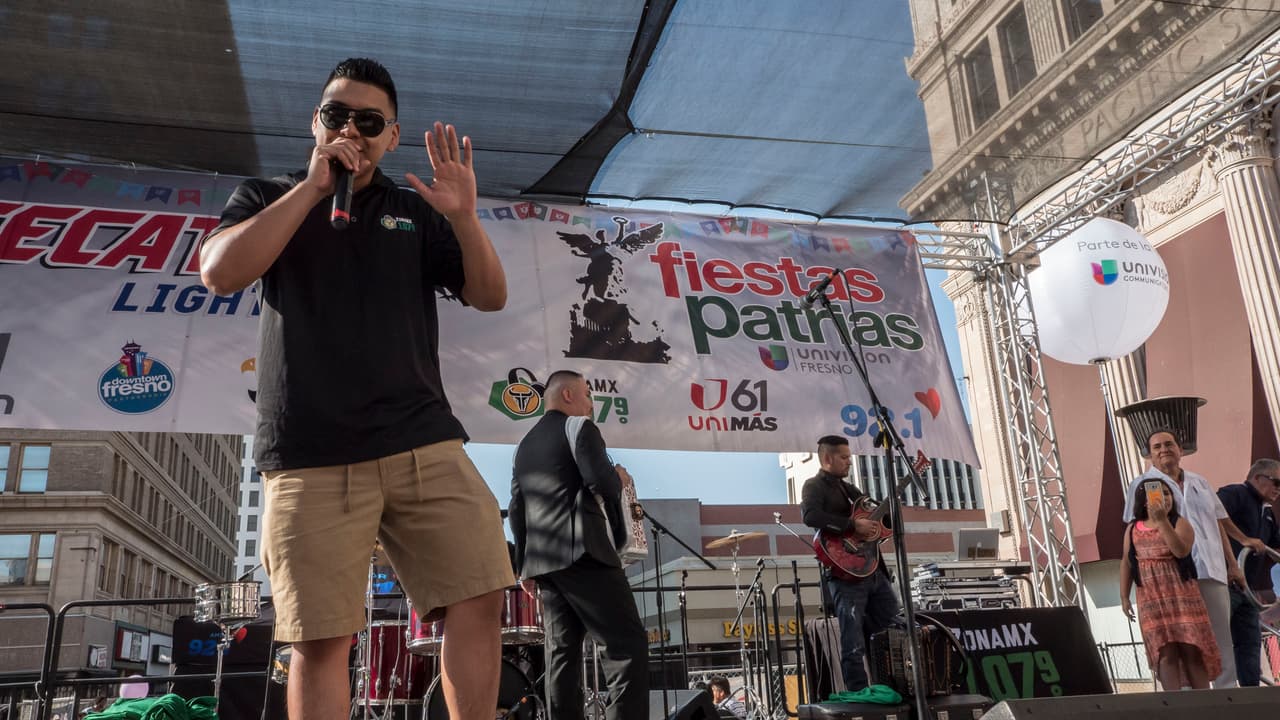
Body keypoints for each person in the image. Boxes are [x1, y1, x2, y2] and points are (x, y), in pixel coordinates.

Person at [199, 58, 513, 720]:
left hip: (421, 440)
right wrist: (314, 189)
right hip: (311, 453)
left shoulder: (412, 210)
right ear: (316, 124)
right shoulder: (269, 194)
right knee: (321, 639)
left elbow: (489, 295)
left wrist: (464, 218)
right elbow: (219, 272)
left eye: (369, 121)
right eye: (338, 115)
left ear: (391, 137)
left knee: (483, 589)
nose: (352, 130)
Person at [509, 370, 648, 720]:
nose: (591, 404)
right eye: (588, 394)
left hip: (544, 565)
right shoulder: (579, 428)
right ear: (568, 395)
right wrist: (618, 479)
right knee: (625, 645)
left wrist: (523, 565)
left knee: (561, 656)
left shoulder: (523, 447)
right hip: (584, 552)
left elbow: (516, 507)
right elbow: (600, 481)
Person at [1121, 428, 1246, 688]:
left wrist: (1233, 564)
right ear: (1150, 455)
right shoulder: (1142, 485)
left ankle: (1226, 695)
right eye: (1157, 447)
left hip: (1210, 568)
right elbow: (1133, 539)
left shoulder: (1199, 481)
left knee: (1220, 635)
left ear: (1180, 449)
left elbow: (1219, 522)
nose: (1164, 450)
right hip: (1171, 578)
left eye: (1169, 444)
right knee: (1182, 639)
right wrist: (1128, 590)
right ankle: (1188, 700)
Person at [800, 435, 901, 692]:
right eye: (844, 458)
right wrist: (851, 525)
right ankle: (858, 693)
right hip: (845, 574)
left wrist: (886, 515)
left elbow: (876, 521)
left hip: (874, 570)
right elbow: (810, 516)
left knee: (892, 628)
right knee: (853, 638)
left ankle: (890, 685)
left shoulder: (852, 490)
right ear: (827, 459)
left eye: (849, 457)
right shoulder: (814, 486)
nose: (849, 463)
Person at [1120, 477, 1221, 689]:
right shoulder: (1132, 528)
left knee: (1190, 647)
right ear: (1143, 500)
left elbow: (1180, 550)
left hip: (1180, 593)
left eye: (1167, 494)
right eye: (1157, 493)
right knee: (1165, 652)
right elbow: (1127, 562)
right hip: (1150, 595)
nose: (1163, 498)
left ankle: (1206, 704)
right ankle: (1174, 705)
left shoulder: (1179, 523)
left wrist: (1162, 521)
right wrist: (1124, 596)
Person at [1216, 458, 1280, 686]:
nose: (1278, 489)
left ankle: (1251, 692)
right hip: (1223, 582)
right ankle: (1224, 691)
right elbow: (1213, 517)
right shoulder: (1235, 494)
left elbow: (1275, 545)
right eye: (1276, 482)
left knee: (1250, 641)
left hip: (1247, 588)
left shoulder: (1267, 513)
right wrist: (1242, 540)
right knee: (1221, 638)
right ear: (1257, 478)